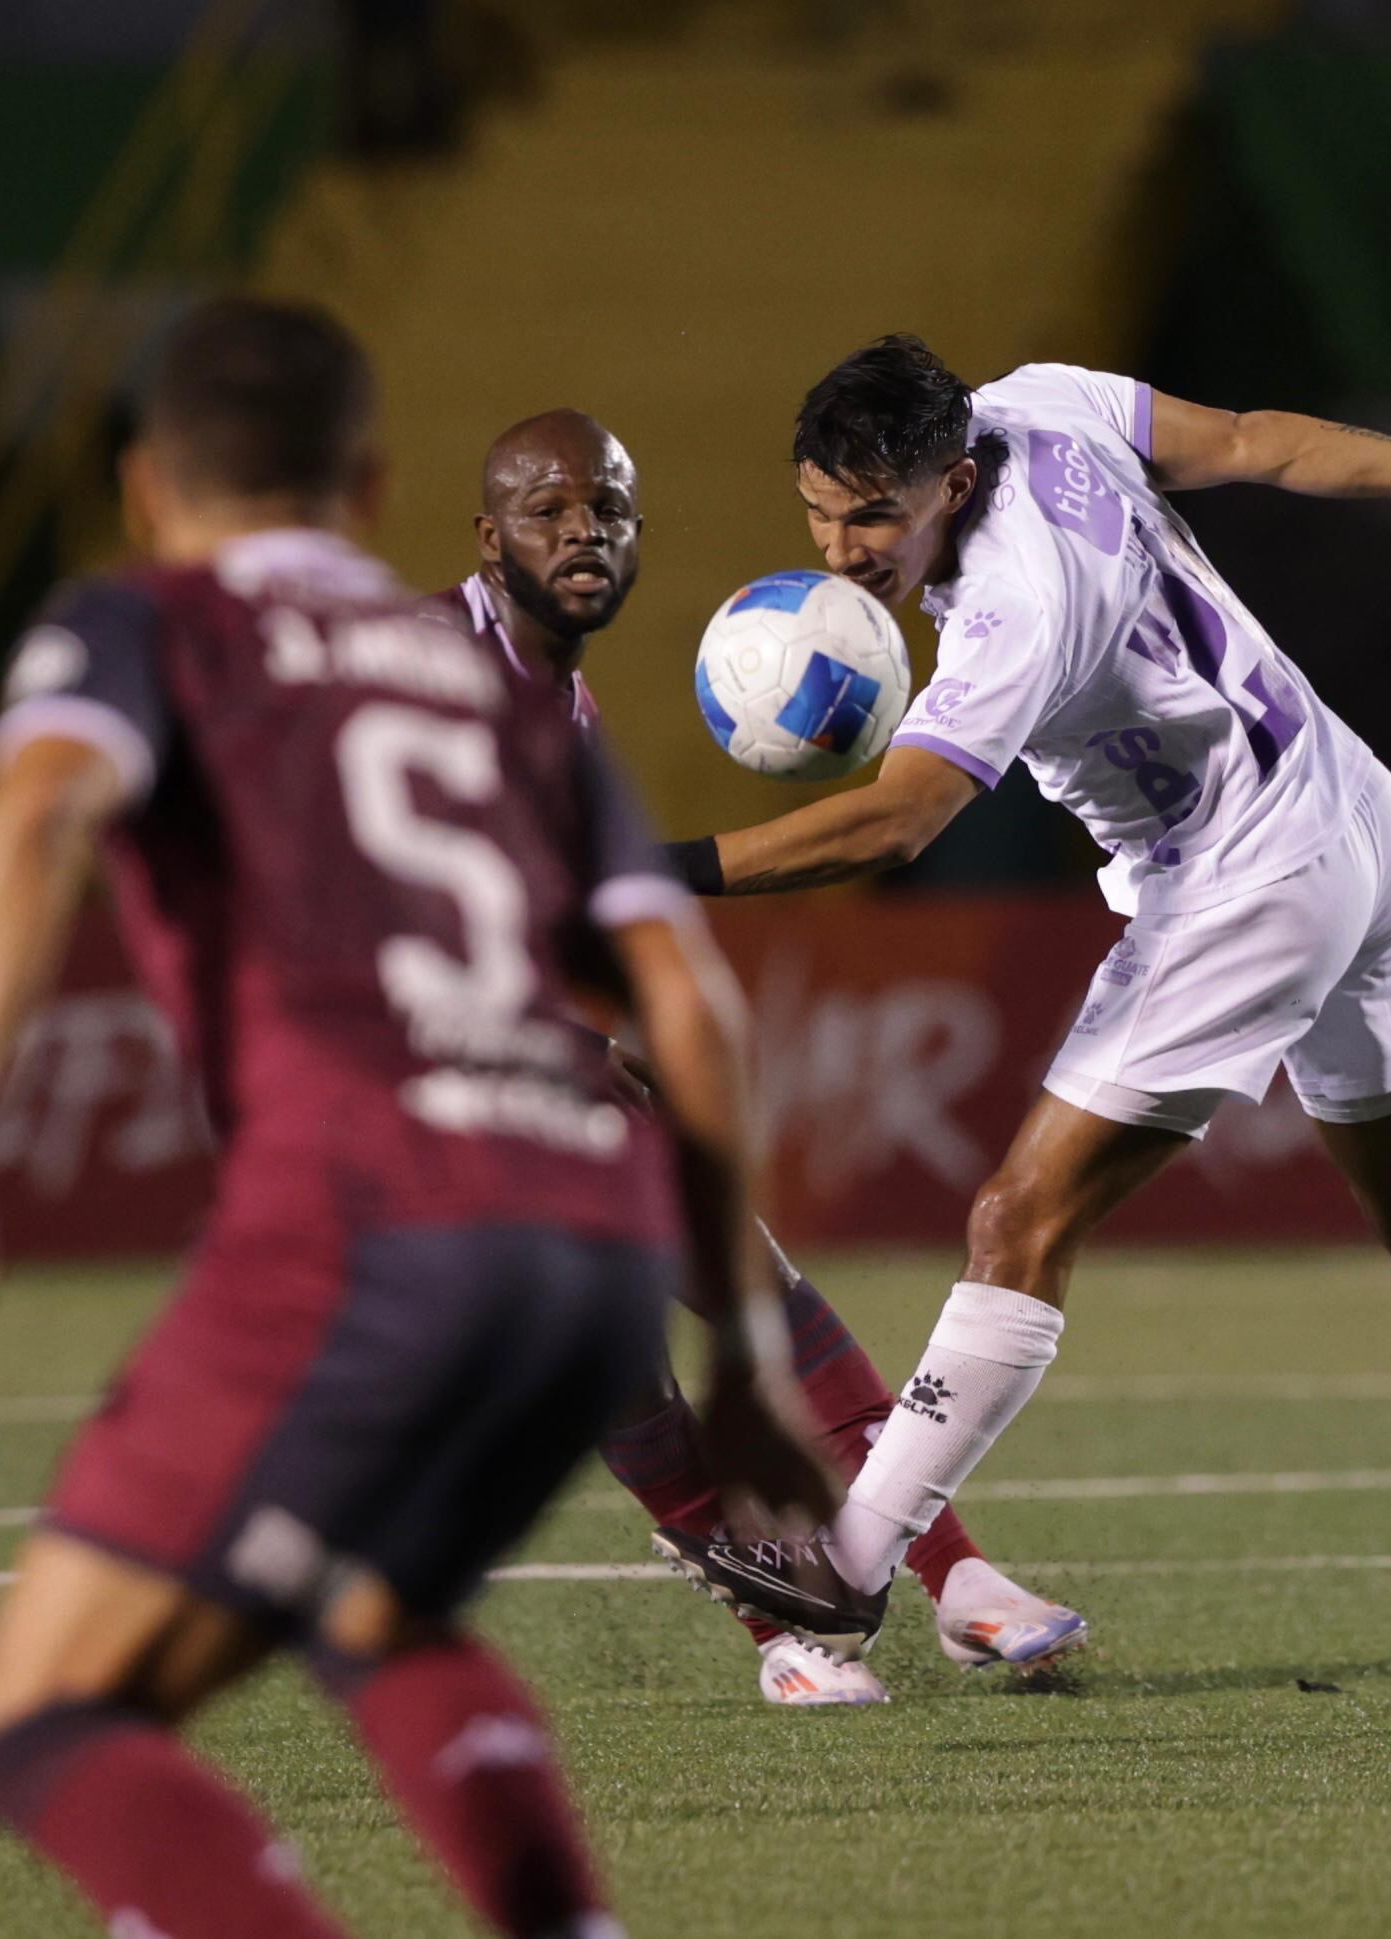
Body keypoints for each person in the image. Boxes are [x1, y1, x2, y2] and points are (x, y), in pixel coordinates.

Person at [0, 296, 836, 1939]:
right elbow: (695, 1011)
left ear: (149, 489)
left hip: (371, 1226)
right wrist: (743, 1348)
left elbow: (29, 820)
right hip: (588, 1249)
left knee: (34, 1718)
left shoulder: (145, 622)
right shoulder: (515, 705)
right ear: (369, 492)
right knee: (377, 1610)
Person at [651, 336, 1391, 1658]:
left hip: (1243, 883)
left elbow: (896, 827)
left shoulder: (1012, 608)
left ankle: (851, 1563)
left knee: (1019, 1218)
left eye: (877, 515)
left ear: (958, 482)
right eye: (819, 509)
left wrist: (653, 872)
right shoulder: (1045, 401)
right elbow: (1262, 435)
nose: (845, 546)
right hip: (1356, 817)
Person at [448, 406, 1087, 1704]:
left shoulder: (550, 684)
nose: (584, 533)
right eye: (550, 510)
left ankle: (957, 1581)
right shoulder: (429, 669)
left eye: (610, 512)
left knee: (753, 1285)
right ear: (489, 534)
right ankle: (787, 1641)